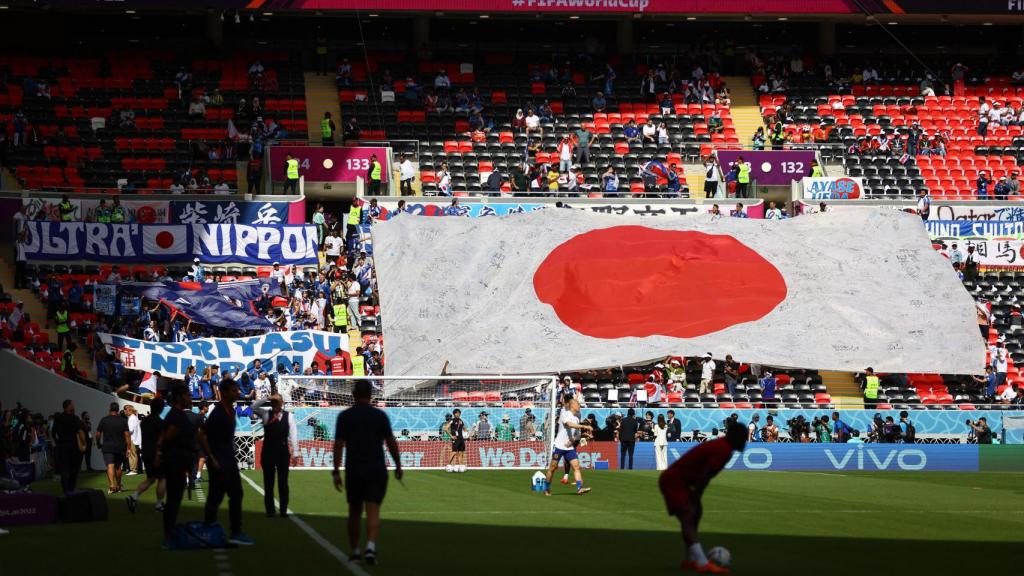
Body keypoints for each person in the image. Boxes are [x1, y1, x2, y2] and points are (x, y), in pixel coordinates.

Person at [659, 421, 747, 573]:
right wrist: (694, 499)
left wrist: (695, 499)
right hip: (674, 481)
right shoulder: (723, 449)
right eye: (744, 438)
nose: (745, 442)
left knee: (694, 516)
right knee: (688, 516)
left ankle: (690, 560)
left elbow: (705, 475)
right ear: (736, 437)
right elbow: (705, 475)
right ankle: (702, 563)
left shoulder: (724, 447)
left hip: (681, 481)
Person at [332, 379, 403, 565]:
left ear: (354, 394)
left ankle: (355, 551)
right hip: (376, 468)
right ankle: (370, 547)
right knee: (373, 509)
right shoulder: (380, 416)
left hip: (355, 468)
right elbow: (391, 442)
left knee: (354, 511)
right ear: (371, 395)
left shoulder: (345, 416)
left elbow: (338, 445)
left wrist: (335, 471)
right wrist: (398, 465)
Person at [199, 378, 253, 546]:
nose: (238, 392)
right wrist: (212, 458)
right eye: (234, 390)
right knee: (223, 495)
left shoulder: (230, 410)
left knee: (224, 495)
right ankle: (231, 531)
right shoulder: (218, 412)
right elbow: (202, 435)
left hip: (227, 460)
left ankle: (218, 530)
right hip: (220, 461)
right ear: (225, 392)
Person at [155, 386, 197, 548]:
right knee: (173, 501)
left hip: (177, 462)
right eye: (188, 395)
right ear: (180, 397)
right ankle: (169, 536)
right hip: (175, 463)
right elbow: (166, 437)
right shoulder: (177, 416)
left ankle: (169, 534)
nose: (190, 398)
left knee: (174, 500)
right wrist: (160, 453)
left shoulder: (176, 415)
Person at [253, 394, 299, 518]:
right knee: (268, 483)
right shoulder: (266, 414)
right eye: (273, 402)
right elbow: (253, 407)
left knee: (283, 483)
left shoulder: (290, 416)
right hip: (268, 452)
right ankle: (270, 511)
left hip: (283, 452)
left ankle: (283, 510)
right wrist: (266, 398)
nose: (275, 404)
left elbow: (293, 434)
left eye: (277, 402)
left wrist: (296, 453)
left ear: (282, 402)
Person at [542, 397, 592, 495]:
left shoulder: (577, 419)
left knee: (576, 467)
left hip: (569, 448)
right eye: (578, 404)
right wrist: (584, 426)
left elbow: (576, 434)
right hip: (559, 446)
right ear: (572, 405)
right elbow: (568, 424)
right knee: (552, 468)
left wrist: (573, 440)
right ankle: (546, 488)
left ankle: (579, 488)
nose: (579, 406)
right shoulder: (565, 414)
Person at [127, 398, 167, 513]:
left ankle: (134, 496)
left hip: (146, 453)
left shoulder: (145, 421)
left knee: (151, 478)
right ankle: (159, 504)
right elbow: (161, 440)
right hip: (156, 454)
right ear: (161, 408)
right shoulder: (160, 422)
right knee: (162, 478)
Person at [53, 399, 86, 495]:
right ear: (69, 407)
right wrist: (84, 443)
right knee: (73, 469)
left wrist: (57, 442)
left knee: (64, 469)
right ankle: (71, 488)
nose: (74, 406)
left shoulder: (58, 418)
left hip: (61, 447)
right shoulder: (75, 418)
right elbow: (80, 432)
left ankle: (65, 489)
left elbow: (53, 433)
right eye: (72, 405)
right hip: (73, 447)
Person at [95, 402, 130, 494]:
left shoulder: (104, 420)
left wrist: (98, 443)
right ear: (118, 410)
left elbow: (98, 433)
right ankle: (118, 486)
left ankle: (111, 485)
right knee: (118, 467)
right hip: (120, 447)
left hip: (107, 446)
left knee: (110, 465)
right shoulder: (123, 421)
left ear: (110, 409)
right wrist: (129, 448)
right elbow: (127, 436)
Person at [444, 408, 467, 472]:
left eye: (459, 413)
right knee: (454, 452)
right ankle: (448, 465)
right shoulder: (452, 420)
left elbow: (464, 428)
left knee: (461, 453)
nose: (458, 414)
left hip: (461, 439)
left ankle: (461, 466)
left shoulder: (461, 421)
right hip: (455, 439)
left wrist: (466, 433)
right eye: (456, 413)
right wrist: (451, 436)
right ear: (454, 414)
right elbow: (446, 428)